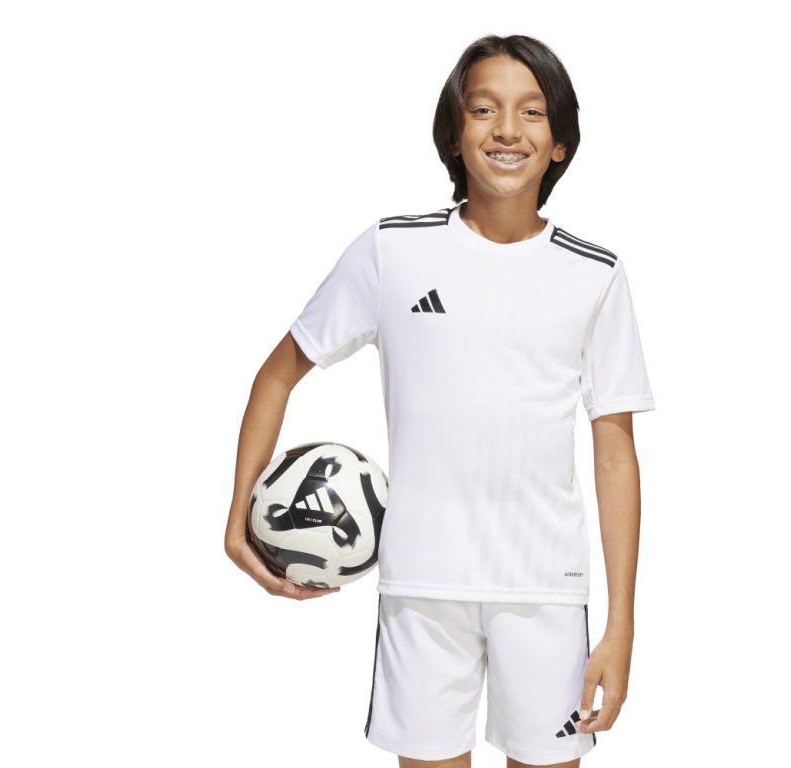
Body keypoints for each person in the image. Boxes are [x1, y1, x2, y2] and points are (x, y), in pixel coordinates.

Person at [224, 34, 655, 768]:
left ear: (559, 142)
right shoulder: (392, 250)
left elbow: (615, 453)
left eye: (532, 112)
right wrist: (240, 515)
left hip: (545, 591)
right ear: (454, 133)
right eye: (483, 109)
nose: (507, 130)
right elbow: (277, 374)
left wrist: (622, 625)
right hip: (421, 586)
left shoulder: (595, 274)